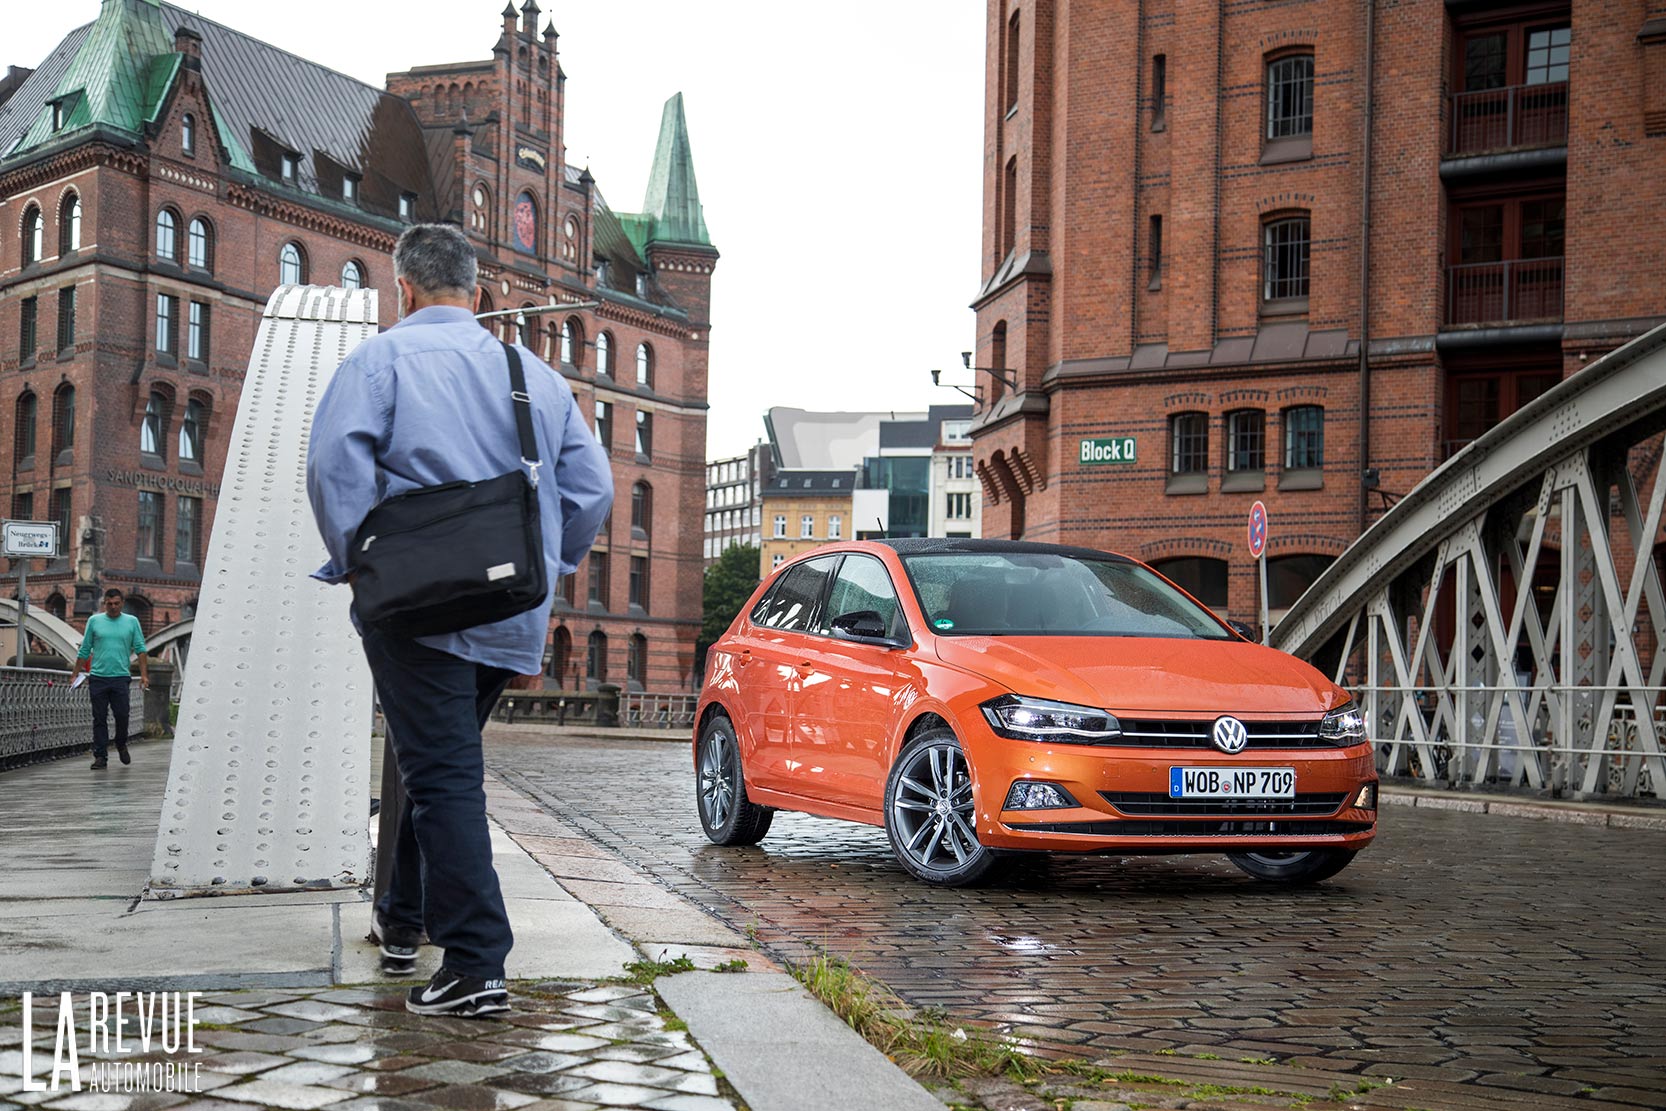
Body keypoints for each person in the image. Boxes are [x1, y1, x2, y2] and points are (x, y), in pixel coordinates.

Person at [306, 223, 612, 1018]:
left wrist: (358, 562)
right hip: (508, 611)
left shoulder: (378, 362)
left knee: (440, 772)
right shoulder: (534, 377)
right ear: (475, 294)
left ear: (402, 288)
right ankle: (402, 920)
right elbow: (593, 493)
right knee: (432, 759)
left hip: (416, 606)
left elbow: (334, 470)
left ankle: (475, 961)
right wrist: (547, 568)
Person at [73, 587, 150, 769]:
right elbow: (85, 649)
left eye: (116, 604)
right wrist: (75, 673)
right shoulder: (94, 621)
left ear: (122, 603)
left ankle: (121, 744)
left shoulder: (131, 622)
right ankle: (100, 756)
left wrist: (144, 675)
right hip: (98, 677)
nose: (113, 607)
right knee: (99, 718)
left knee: (122, 715)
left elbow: (141, 649)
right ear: (104, 603)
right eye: (109, 604)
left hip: (121, 677)